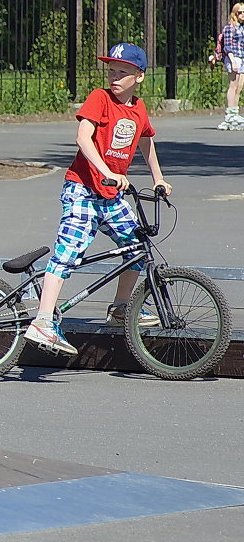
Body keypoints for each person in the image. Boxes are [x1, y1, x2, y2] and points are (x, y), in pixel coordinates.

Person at [25, 42, 172, 356]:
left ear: (140, 76)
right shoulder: (100, 98)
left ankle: (120, 308)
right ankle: (42, 321)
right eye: (111, 70)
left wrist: (158, 178)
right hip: (82, 189)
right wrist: (106, 170)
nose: (115, 77)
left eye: (123, 72)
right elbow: (82, 137)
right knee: (67, 253)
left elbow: (146, 143)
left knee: (138, 247)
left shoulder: (138, 108)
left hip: (111, 195)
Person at [208, 3, 244, 131]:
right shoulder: (230, 27)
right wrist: (233, 61)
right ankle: (230, 113)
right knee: (233, 85)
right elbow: (227, 46)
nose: (242, 14)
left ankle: (235, 111)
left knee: (239, 87)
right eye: (240, 12)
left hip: (242, 57)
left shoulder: (241, 28)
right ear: (234, 13)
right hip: (233, 58)